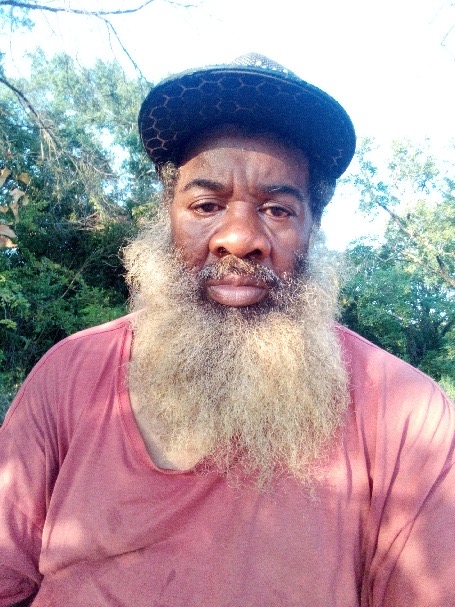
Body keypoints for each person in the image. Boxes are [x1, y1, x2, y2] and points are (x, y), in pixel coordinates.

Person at [1, 53, 454, 607]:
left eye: (278, 210)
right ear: (167, 214)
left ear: (313, 227)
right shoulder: (68, 373)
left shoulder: (405, 412)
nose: (239, 239)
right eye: (207, 205)